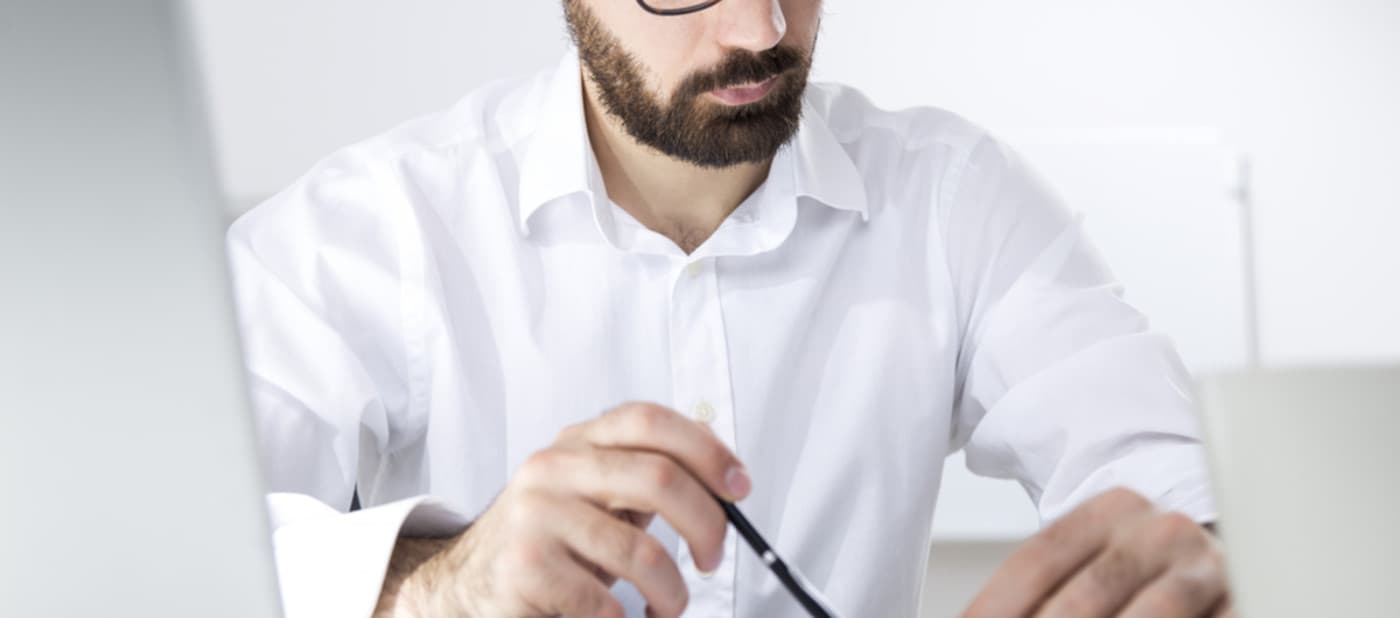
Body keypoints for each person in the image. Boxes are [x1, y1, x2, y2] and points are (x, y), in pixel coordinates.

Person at [227, 0, 1231, 616]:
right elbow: (153, 554)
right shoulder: (373, 227)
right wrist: (435, 590)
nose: (758, 30)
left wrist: (1196, 556)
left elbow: (1179, 483)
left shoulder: (952, 198)